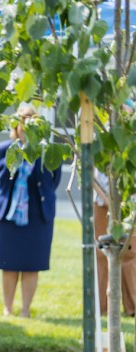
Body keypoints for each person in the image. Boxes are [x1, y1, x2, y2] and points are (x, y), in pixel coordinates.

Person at [0, 105, 62, 318]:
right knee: (9, 264)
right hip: (8, 214)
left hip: (37, 215)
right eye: (23, 119)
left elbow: (54, 180)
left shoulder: (48, 150)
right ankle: (8, 308)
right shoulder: (3, 149)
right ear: (16, 123)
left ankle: (25, 310)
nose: (27, 123)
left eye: (32, 119)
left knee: (32, 265)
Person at [94, 99, 136, 317]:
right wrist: (107, 197)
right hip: (102, 202)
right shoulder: (102, 135)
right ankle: (103, 306)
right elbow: (91, 172)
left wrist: (123, 198)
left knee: (130, 252)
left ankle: (132, 307)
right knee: (103, 252)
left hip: (129, 203)